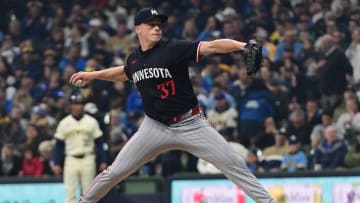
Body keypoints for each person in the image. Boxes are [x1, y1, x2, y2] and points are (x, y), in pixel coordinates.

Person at [70, 8, 275, 203]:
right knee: (115, 172)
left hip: (190, 123)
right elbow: (124, 73)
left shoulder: (173, 49)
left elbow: (211, 46)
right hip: (154, 127)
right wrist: (92, 75)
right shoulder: (134, 60)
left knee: (235, 164)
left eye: (159, 24)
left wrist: (241, 46)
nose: (157, 28)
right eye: (151, 24)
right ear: (138, 29)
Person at [53, 92, 108, 203]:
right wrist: (57, 162)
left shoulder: (91, 122)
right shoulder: (64, 123)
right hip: (71, 159)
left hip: (88, 158)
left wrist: (103, 160)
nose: (78, 106)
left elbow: (99, 143)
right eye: (76, 104)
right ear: (71, 106)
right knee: (70, 193)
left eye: (80, 104)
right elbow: (59, 145)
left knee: (88, 193)